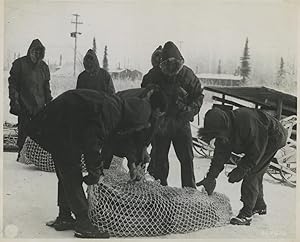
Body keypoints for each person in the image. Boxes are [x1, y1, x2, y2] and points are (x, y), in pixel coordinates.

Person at [27, 88, 166, 238]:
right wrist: (95, 171)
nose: (139, 129)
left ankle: (65, 216)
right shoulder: (112, 113)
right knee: (70, 169)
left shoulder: (120, 109)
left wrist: (132, 160)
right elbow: (92, 143)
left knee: (66, 169)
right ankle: (83, 223)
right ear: (134, 120)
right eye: (139, 126)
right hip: (58, 123)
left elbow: (115, 138)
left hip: (64, 122)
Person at [197, 107, 288, 225]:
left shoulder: (247, 123)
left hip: (274, 136)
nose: (219, 138)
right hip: (259, 140)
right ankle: (259, 205)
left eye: (219, 135)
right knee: (257, 171)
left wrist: (241, 169)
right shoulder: (223, 130)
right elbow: (220, 156)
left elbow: (255, 153)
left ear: (226, 126)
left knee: (252, 171)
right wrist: (211, 177)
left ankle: (247, 213)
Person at [141, 41, 204, 188]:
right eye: (166, 65)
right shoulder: (153, 75)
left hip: (181, 123)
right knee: (159, 159)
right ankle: (160, 191)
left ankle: (189, 191)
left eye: (174, 65)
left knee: (187, 159)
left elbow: (198, 96)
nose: (170, 68)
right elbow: (143, 95)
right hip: (161, 124)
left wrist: (189, 110)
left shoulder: (187, 75)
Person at [8, 39, 52, 159]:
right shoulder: (19, 64)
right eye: (35, 51)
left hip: (40, 107)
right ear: (30, 51)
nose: (37, 54)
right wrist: (15, 102)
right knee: (24, 131)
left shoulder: (44, 67)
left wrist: (50, 104)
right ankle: (21, 156)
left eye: (40, 52)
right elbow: (13, 86)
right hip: (24, 105)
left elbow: (46, 88)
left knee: (39, 132)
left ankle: (35, 158)